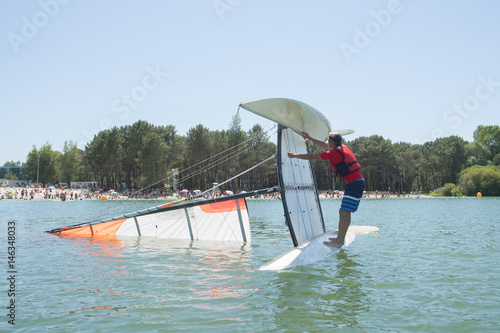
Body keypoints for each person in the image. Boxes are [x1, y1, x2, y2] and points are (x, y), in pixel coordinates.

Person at [288, 132, 365, 248]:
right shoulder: (341, 148)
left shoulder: (333, 153)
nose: (327, 144)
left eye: (328, 142)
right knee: (344, 211)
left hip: (355, 184)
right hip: (355, 182)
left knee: (344, 211)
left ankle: (339, 241)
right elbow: (323, 145)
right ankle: (340, 238)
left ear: (331, 142)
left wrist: (295, 155)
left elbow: (312, 157)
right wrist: (309, 137)